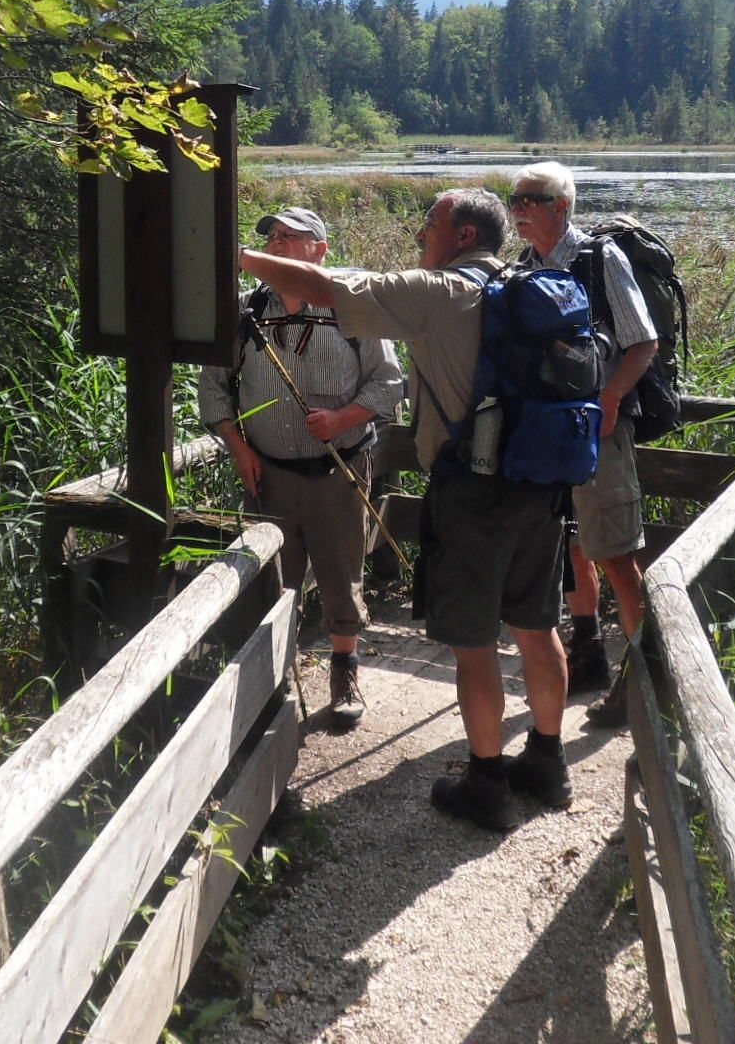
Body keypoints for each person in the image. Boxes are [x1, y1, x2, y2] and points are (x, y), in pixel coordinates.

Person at [240, 188, 572, 833]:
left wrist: (239, 254)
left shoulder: (443, 291)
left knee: (474, 645)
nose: (421, 234)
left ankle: (485, 781)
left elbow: (323, 284)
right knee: (536, 629)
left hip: (474, 491)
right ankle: (548, 762)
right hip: (540, 483)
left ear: (465, 236)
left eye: (431, 224)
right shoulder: (532, 281)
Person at [199, 207, 404, 730]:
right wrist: (238, 449)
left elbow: (388, 383)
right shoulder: (244, 311)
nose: (280, 243)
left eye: (293, 237)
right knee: (273, 579)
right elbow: (214, 392)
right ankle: (272, 683)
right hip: (268, 474)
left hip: (339, 468)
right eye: (272, 236)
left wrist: (343, 418)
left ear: (321, 251)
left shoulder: (352, 307)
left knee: (341, 572)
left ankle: (344, 671)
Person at [510, 161, 659, 729]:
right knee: (570, 544)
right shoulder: (525, 266)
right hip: (551, 432)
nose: (519, 207)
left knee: (616, 554)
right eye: (514, 197)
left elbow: (642, 340)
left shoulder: (600, 259)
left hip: (599, 428)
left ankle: (641, 680)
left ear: (562, 206)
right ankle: (590, 653)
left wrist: (613, 400)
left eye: (532, 198)